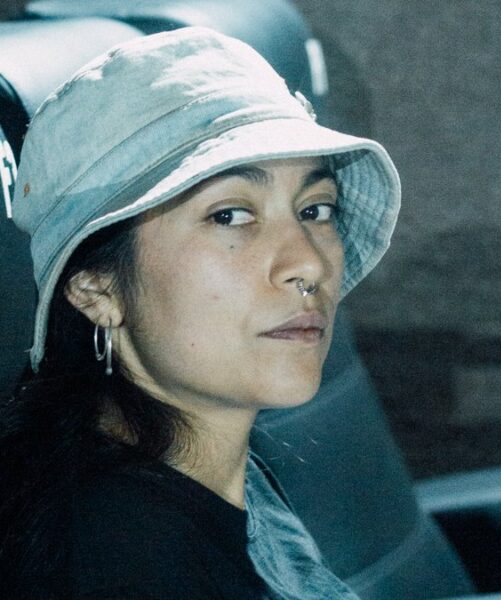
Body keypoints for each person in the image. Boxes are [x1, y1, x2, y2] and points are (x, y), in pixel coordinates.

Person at [0, 26, 400, 599]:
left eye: (316, 209)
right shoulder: (121, 560)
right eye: (229, 216)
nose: (308, 264)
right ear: (95, 289)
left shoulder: (213, 471)